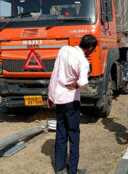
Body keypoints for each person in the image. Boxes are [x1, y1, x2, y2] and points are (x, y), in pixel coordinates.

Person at [48, 34, 97, 174]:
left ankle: (60, 168)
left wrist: (50, 96)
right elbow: (83, 82)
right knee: (74, 135)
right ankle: (73, 171)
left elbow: (55, 74)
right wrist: (76, 84)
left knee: (61, 133)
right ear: (89, 48)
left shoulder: (64, 50)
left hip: (59, 99)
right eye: (92, 50)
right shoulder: (83, 61)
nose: (91, 53)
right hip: (71, 101)